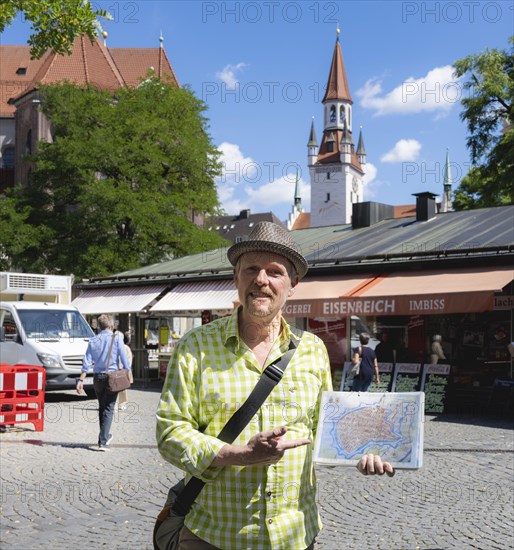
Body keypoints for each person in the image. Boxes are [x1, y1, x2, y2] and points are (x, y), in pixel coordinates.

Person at [156, 221, 394, 550]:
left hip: (294, 535)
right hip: (214, 536)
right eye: (251, 269)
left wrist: (364, 451)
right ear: (235, 277)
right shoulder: (195, 347)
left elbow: (327, 428)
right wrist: (236, 455)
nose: (261, 280)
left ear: (292, 284)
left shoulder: (312, 350)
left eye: (274, 271)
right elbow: (170, 433)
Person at [77, 314, 131, 451]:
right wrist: (128, 372)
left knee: (102, 407)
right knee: (109, 408)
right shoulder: (117, 339)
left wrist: (81, 380)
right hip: (112, 377)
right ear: (112, 326)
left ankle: (104, 436)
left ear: (99, 326)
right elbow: (124, 358)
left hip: (97, 378)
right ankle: (103, 441)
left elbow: (87, 362)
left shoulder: (93, 340)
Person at [117, 331, 134, 410]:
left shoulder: (126, 348)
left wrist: (125, 369)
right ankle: (114, 403)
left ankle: (122, 403)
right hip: (115, 370)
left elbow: (129, 359)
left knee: (123, 389)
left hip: (123, 370)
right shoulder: (112, 347)